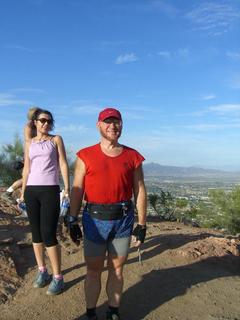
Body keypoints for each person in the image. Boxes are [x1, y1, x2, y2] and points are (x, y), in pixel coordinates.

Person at [69, 107, 147, 320]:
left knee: (117, 269)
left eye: (117, 122)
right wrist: (72, 219)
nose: (113, 126)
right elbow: (77, 188)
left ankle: (113, 311)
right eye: (108, 122)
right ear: (99, 125)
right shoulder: (85, 155)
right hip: (94, 219)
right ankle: (91, 313)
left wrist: (142, 224)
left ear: (122, 125)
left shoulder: (133, 156)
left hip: (123, 220)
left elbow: (139, 190)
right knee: (93, 270)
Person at [21, 108, 70, 295]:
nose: (46, 124)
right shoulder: (29, 143)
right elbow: (27, 169)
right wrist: (23, 192)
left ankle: (58, 277)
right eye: (42, 120)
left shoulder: (56, 140)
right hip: (31, 192)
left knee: (48, 233)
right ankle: (43, 271)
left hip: (50, 190)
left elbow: (63, 163)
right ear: (35, 122)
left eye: (49, 121)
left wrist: (66, 188)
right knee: (36, 234)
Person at [1, 107, 39, 205]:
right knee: (27, 178)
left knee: (30, 179)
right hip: (29, 154)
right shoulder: (29, 126)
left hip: (32, 154)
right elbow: (29, 141)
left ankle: (22, 199)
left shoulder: (34, 126)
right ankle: (8, 193)